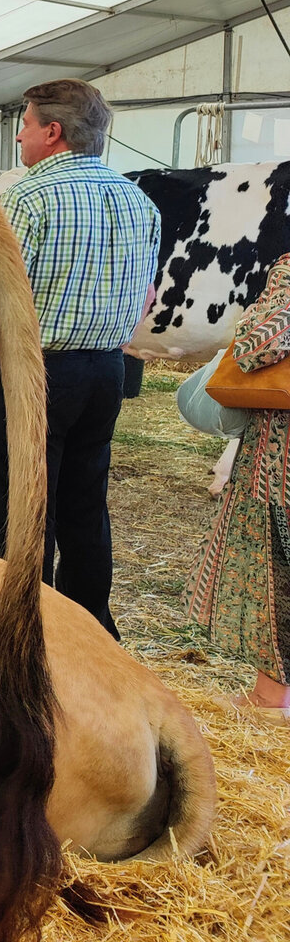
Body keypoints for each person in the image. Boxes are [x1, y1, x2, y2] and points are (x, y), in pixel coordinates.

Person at [0, 79, 161, 639]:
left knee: (21, 507)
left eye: (26, 125)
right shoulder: (138, 200)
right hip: (107, 369)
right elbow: (148, 295)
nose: (20, 137)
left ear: (53, 132)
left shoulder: (27, 198)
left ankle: (24, 631)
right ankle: (90, 629)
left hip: (36, 372)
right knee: (86, 504)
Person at [187, 254, 290, 725]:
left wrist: (251, 314)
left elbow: (256, 348)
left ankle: (270, 698)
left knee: (274, 566)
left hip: (279, 460)